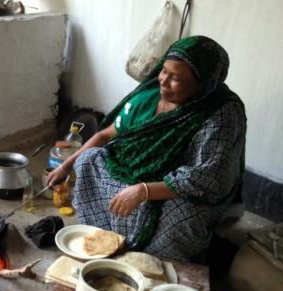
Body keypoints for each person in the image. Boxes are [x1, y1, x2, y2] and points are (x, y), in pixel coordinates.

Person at [47, 36, 246, 262]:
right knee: (89, 160)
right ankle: (107, 240)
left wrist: (144, 190)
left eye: (176, 78)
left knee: (182, 216)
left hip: (178, 190)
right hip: (133, 173)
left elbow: (211, 178)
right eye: (164, 71)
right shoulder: (149, 96)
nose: (163, 81)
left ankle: (152, 261)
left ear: (204, 83)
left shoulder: (220, 114)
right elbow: (105, 135)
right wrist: (65, 166)